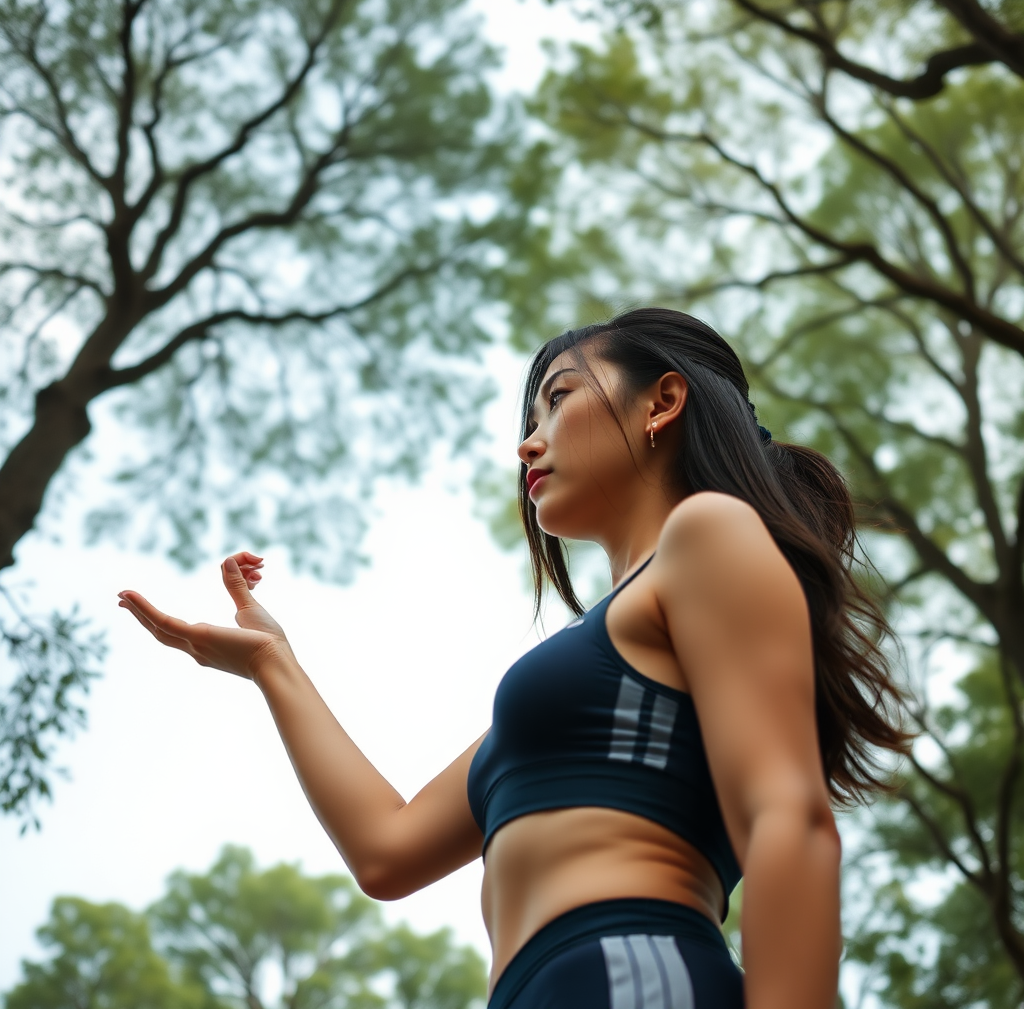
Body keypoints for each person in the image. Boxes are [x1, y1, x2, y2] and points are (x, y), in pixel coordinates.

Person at [119, 308, 909, 1009]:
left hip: (630, 970)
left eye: (558, 398)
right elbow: (385, 853)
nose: (527, 441)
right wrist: (273, 666)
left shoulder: (709, 535)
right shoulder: (560, 700)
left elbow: (788, 819)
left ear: (662, 402)